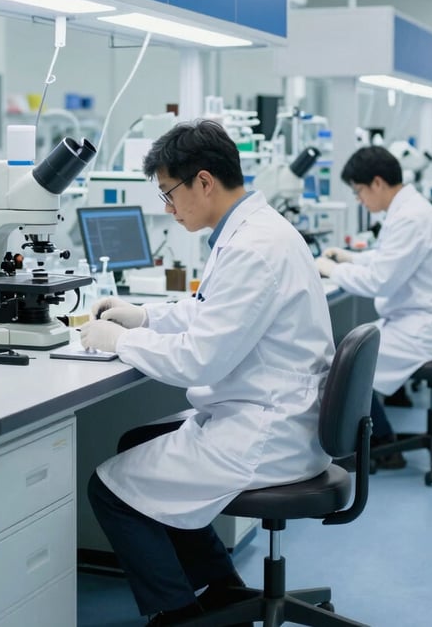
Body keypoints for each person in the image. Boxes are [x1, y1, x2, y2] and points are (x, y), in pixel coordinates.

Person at [79, 119, 335, 626]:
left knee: (107, 488)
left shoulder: (252, 246)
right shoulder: (252, 230)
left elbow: (200, 358)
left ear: (203, 181)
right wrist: (145, 315)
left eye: (169, 193)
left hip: (266, 432)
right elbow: (210, 311)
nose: (168, 208)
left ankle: (177, 615)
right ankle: (221, 590)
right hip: (276, 412)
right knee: (138, 444)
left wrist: (121, 340)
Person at [315, 146, 432, 462]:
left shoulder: (410, 217)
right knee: (350, 350)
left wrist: (333, 269)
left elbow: (379, 281)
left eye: (359, 192)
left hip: (426, 329)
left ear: (378, 183)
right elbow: (391, 258)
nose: (360, 200)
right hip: (421, 319)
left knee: (346, 361)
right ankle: (381, 432)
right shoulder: (407, 210)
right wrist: (351, 257)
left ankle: (382, 445)